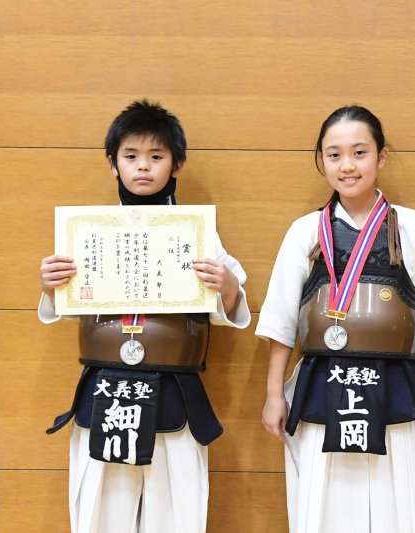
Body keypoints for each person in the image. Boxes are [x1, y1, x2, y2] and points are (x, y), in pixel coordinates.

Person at [39, 99, 250, 533]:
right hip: (105, 384)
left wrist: (227, 287)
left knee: (174, 513)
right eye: (130, 156)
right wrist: (49, 285)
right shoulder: (85, 232)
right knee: (102, 512)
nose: (143, 168)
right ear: (113, 165)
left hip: (174, 384)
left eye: (156, 157)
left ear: (177, 165)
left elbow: (233, 306)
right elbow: (60, 308)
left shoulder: (199, 233)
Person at [257, 105, 415, 533]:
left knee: (399, 503)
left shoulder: (413, 228)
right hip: (320, 382)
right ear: (321, 160)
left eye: (359, 153)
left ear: (381, 157)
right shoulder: (306, 230)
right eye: (333, 155)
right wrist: (274, 393)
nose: (347, 166)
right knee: (324, 506)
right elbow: (280, 320)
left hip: (398, 385)